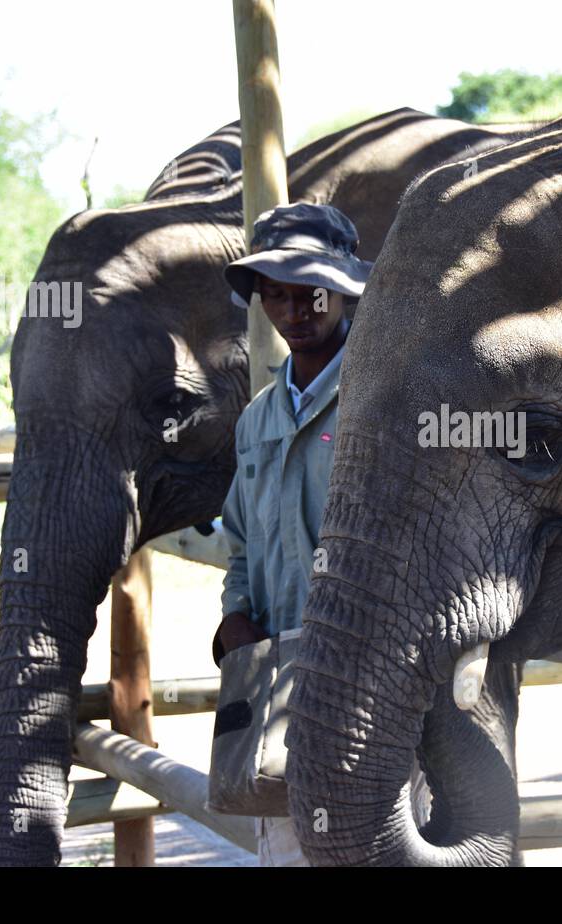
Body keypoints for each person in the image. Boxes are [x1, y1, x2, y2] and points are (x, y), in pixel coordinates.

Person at [215, 202, 369, 866]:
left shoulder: (381, 397)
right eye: (275, 294)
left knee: (373, 839)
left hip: (369, 674)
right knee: (286, 844)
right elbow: (243, 542)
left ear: (344, 292)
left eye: (311, 292)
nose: (294, 310)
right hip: (276, 679)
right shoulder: (257, 419)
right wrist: (236, 618)